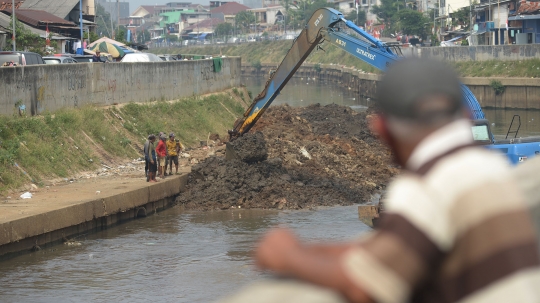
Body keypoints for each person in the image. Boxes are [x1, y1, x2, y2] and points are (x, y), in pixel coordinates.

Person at [219, 58, 540, 303]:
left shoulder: (428, 186)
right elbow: (387, 253)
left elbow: (363, 284)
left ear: (382, 131)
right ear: (467, 116)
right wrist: (316, 250)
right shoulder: (489, 168)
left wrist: (286, 255)